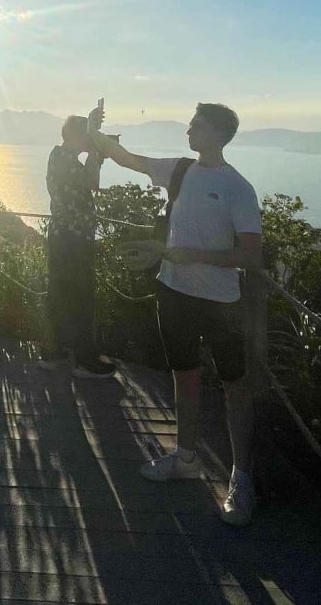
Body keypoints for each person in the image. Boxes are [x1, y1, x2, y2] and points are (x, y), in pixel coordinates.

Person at [87, 102, 263, 525]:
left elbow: (250, 253)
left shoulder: (239, 188)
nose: (188, 129)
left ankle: (242, 477)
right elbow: (128, 159)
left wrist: (190, 255)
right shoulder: (179, 171)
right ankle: (185, 458)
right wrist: (94, 132)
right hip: (174, 292)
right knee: (184, 377)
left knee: (235, 387)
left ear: (218, 134)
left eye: (196, 125)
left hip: (222, 303)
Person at [41, 106, 115, 378]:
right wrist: (97, 153)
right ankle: (85, 360)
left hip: (63, 234)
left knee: (60, 293)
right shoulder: (64, 158)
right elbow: (91, 182)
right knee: (82, 297)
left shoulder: (60, 156)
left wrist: (94, 144)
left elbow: (84, 181)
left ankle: (55, 352)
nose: (89, 141)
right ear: (75, 136)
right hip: (74, 237)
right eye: (87, 136)